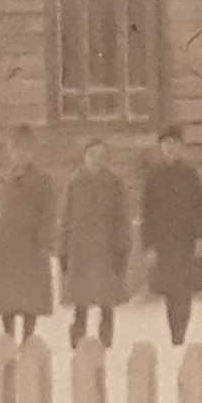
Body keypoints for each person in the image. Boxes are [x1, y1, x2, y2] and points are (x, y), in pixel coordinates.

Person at [0, 128, 60, 343]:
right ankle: (8, 337)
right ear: (10, 151)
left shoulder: (43, 180)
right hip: (5, 249)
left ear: (33, 151)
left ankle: (28, 338)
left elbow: (49, 213)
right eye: (16, 149)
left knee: (29, 299)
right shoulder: (2, 180)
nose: (21, 154)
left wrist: (44, 240)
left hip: (31, 248)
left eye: (26, 149)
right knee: (6, 299)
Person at [57, 139, 131, 350]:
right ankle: (77, 343)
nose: (96, 160)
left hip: (106, 250)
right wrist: (63, 249)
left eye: (100, 156)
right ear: (84, 157)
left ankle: (106, 343)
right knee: (80, 303)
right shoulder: (75, 183)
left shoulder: (114, 184)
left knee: (106, 302)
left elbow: (122, 217)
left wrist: (121, 248)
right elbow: (66, 218)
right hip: (80, 250)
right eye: (91, 155)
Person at [139, 125, 202, 348]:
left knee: (184, 290)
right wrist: (149, 245)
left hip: (185, 240)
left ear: (181, 147)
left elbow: (201, 208)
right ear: (161, 147)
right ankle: (175, 334)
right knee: (170, 290)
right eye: (166, 144)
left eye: (175, 144)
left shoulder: (190, 175)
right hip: (163, 242)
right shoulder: (153, 176)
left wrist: (200, 237)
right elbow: (147, 212)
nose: (171, 148)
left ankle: (181, 332)